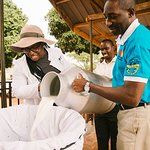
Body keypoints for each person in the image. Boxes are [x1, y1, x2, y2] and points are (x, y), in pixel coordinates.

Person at [71, 0, 150, 149]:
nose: (107, 22)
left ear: (131, 13)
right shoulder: (126, 41)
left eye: (113, 16)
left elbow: (132, 97)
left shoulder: (137, 42)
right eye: (106, 17)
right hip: (130, 115)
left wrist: (88, 86)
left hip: (136, 116)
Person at [10, 24, 72, 105]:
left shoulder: (56, 53)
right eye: (26, 49)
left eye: (35, 47)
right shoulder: (20, 64)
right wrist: (39, 87)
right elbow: (17, 91)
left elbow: (69, 70)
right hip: (39, 108)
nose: (31, 53)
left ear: (42, 44)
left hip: (64, 103)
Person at [0, 98, 86, 150]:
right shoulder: (23, 67)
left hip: (53, 104)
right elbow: (17, 90)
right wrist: (37, 88)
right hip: (37, 104)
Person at [94, 39, 119, 150]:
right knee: (101, 139)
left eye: (106, 48)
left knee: (115, 140)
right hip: (99, 108)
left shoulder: (120, 63)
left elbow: (121, 82)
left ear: (114, 48)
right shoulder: (99, 65)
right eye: (102, 49)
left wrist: (108, 81)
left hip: (115, 106)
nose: (104, 51)